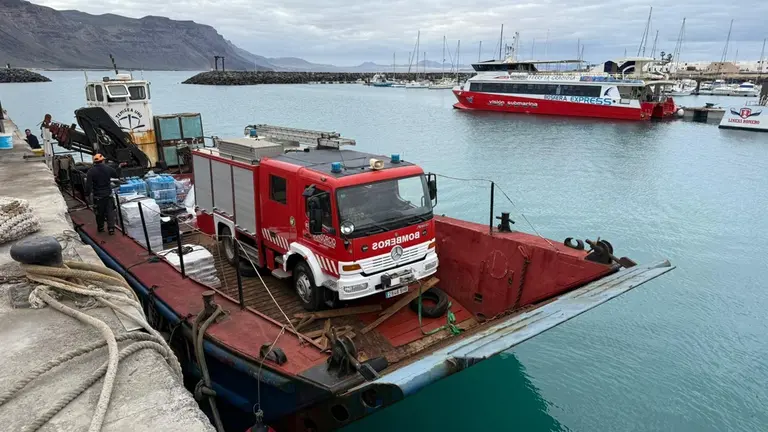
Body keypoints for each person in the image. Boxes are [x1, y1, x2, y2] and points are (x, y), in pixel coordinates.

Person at [85, 154, 118, 234]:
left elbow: (88, 185)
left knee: (99, 213)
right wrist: (119, 167)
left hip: (98, 196)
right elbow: (116, 174)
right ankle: (111, 229)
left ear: (94, 162)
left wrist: (87, 194)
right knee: (110, 212)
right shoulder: (108, 169)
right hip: (108, 195)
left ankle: (101, 227)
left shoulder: (91, 171)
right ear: (103, 161)